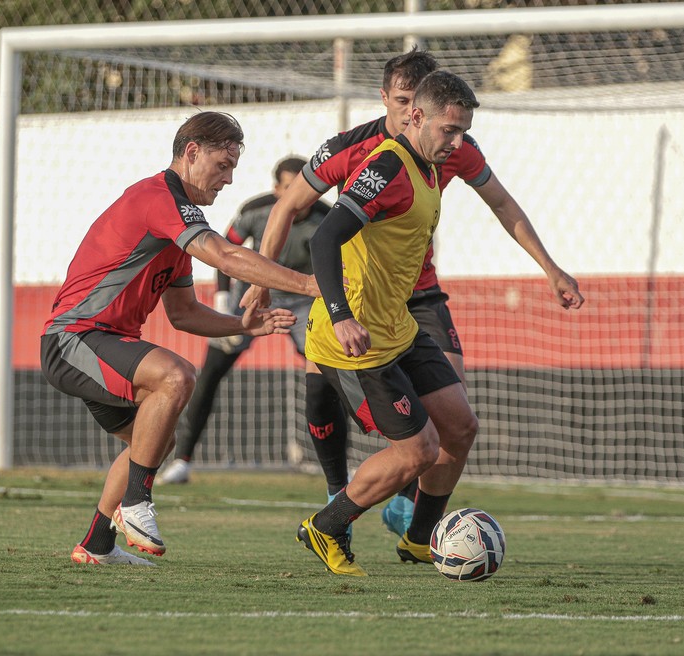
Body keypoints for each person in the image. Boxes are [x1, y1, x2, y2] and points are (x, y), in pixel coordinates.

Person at [243, 50, 584, 543]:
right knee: (322, 378)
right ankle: (338, 494)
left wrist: (550, 269)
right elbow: (288, 209)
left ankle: (411, 519)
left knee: (456, 417)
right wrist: (261, 280)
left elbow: (503, 202)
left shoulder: (451, 141)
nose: (409, 112)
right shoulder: (354, 149)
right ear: (388, 99)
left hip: (418, 296)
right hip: (356, 295)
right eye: (401, 101)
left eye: (416, 101)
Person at [40, 112, 318, 566]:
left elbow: (184, 314)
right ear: (192, 153)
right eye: (223, 165)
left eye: (233, 169)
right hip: (74, 338)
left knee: (155, 440)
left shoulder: (177, 225)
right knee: (177, 376)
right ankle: (136, 503)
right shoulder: (157, 198)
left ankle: (96, 545)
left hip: (98, 342)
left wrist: (242, 326)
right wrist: (310, 285)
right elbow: (227, 255)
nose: (229, 180)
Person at [293, 70, 483, 576]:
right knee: (417, 450)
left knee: (460, 428)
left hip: (398, 327)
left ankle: (420, 540)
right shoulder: (387, 167)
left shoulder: (431, 168)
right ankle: (325, 526)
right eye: (450, 131)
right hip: (355, 342)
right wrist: (340, 317)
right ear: (415, 117)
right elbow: (324, 238)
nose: (457, 142)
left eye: (463, 131)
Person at [156, 156, 331, 485]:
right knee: (210, 372)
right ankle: (182, 460)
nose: (300, 194)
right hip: (251, 293)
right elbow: (226, 250)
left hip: (304, 297)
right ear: (276, 188)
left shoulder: (328, 216)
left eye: (306, 186)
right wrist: (223, 300)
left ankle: (338, 466)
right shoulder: (254, 210)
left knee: (328, 373)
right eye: (290, 187)